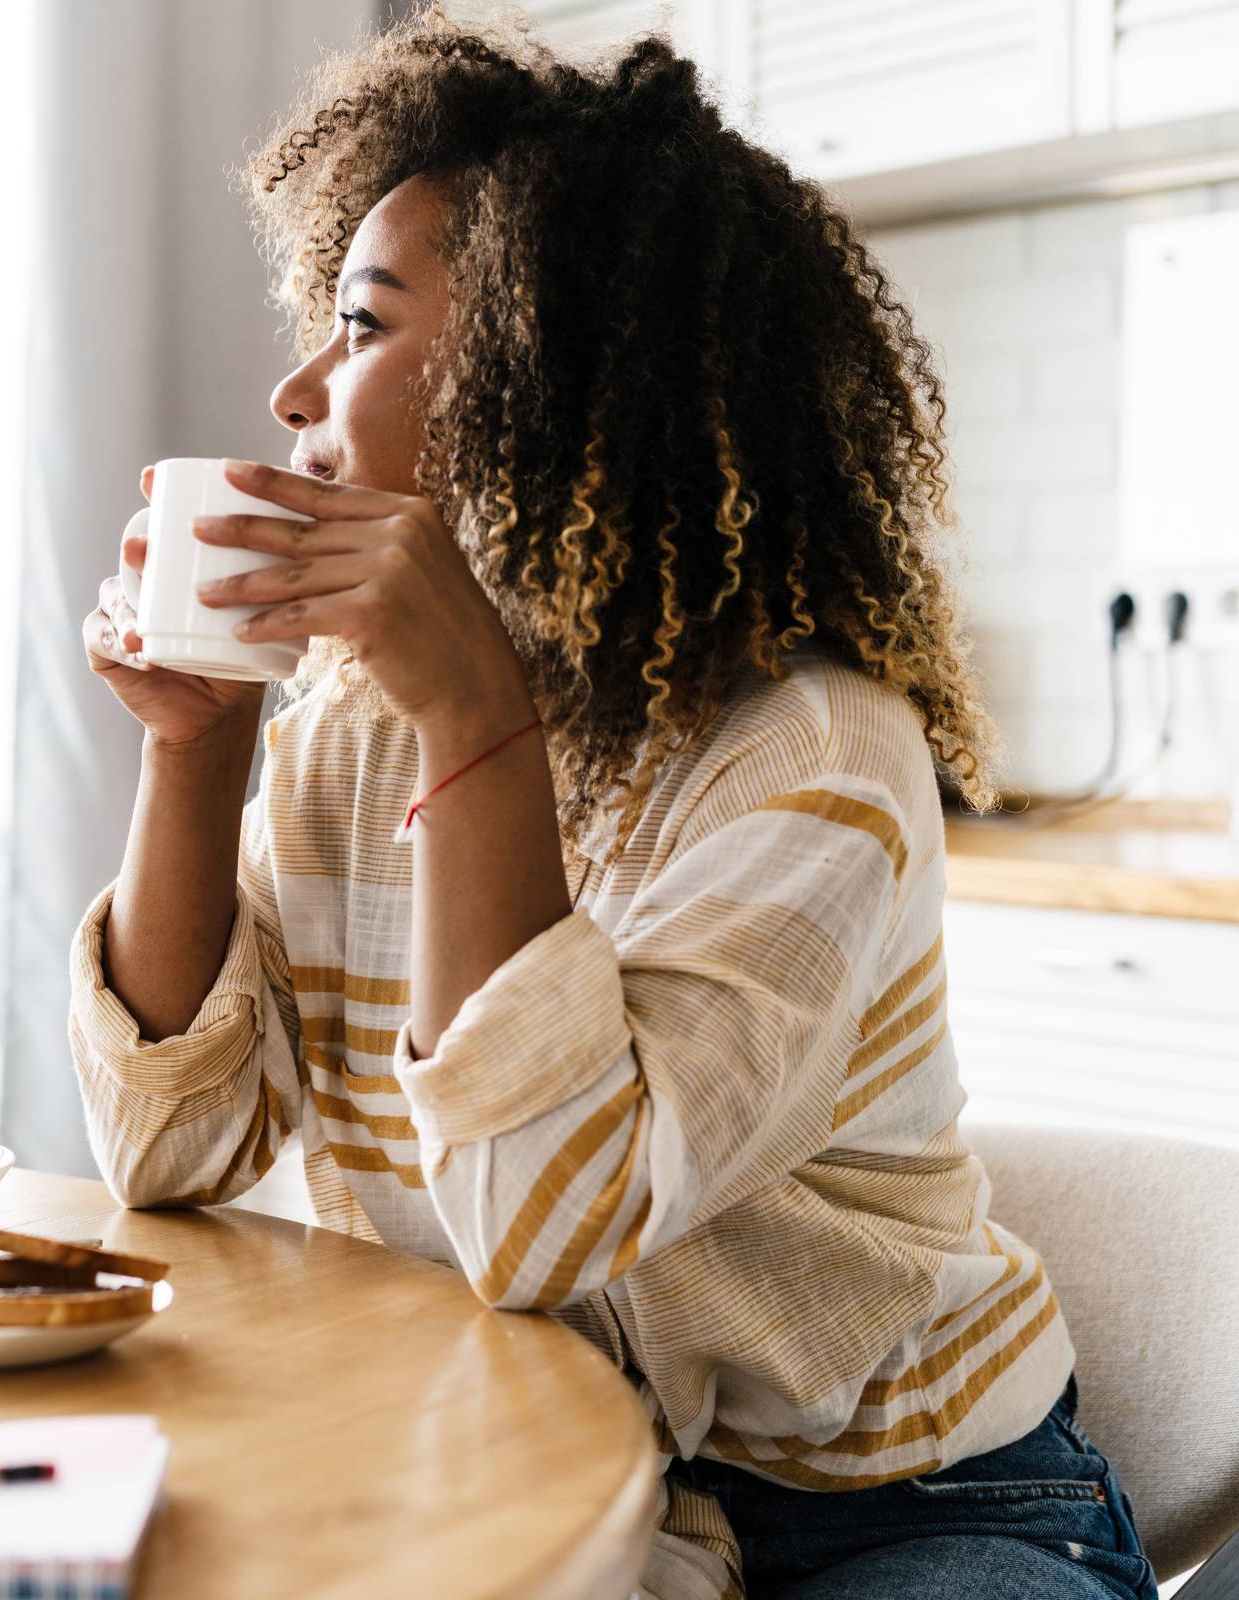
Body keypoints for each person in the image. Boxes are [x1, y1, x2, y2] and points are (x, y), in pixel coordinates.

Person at [69, 12, 1155, 1599]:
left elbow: (540, 1220)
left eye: (363, 327)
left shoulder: (816, 759)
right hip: (536, 1456)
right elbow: (173, 1153)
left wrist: (473, 716)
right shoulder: (342, 739)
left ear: (549, 374)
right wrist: (198, 744)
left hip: (905, 1503)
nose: (298, 387)